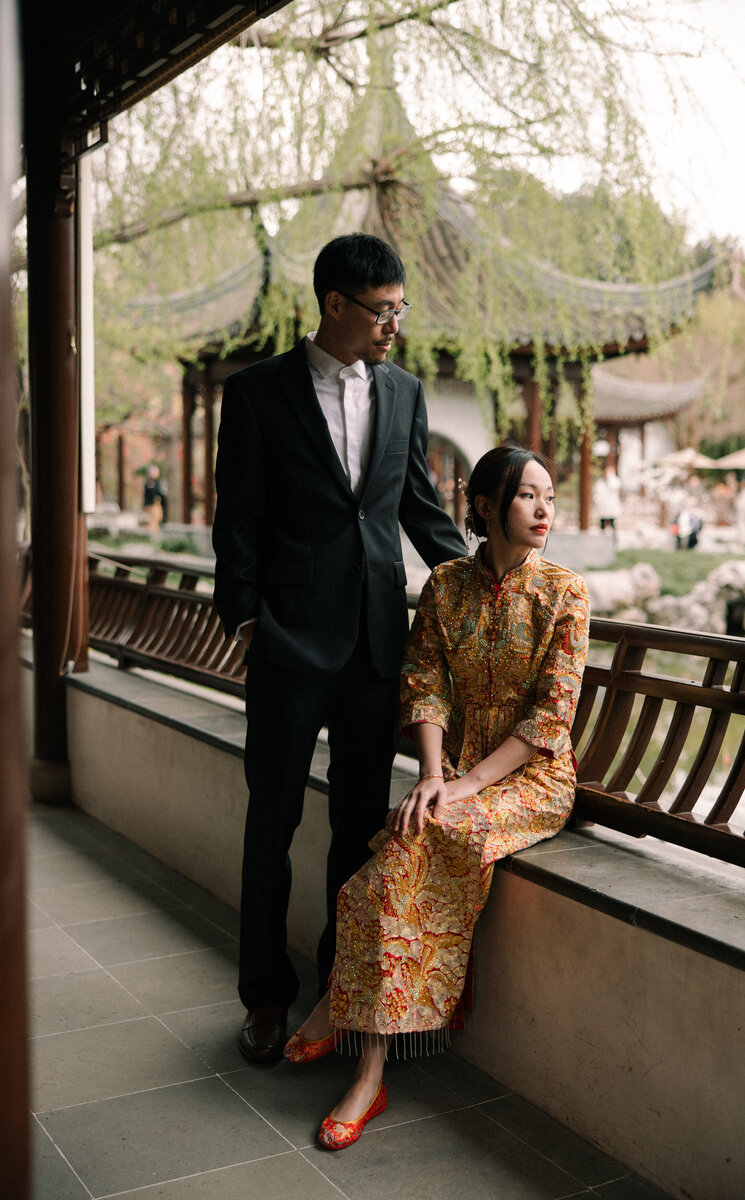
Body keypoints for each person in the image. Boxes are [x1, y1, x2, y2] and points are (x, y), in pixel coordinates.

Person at [284, 445, 590, 1150]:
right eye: (527, 496)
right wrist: (430, 774)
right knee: (388, 866)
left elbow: (551, 718)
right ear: (484, 507)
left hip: (533, 779)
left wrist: (461, 786)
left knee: (423, 839)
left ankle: (360, 1054)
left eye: (549, 496)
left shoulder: (564, 592)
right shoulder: (445, 585)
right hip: (453, 773)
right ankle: (363, 1047)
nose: (545, 510)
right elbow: (423, 684)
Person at [212, 233, 466, 1068]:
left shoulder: (404, 393)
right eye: (383, 309)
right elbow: (238, 519)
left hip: (373, 649)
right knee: (271, 826)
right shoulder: (256, 395)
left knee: (360, 832)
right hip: (287, 646)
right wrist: (247, 622)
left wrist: (495, 579)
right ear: (333, 305)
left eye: (400, 308)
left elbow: (420, 512)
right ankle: (263, 999)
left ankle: (335, 991)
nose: (395, 323)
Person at [593, 462, 621, 532]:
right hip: (602, 506)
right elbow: (597, 492)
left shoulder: (615, 481)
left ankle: (613, 538)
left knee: (612, 522)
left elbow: (613, 486)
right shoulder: (600, 482)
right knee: (602, 523)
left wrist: (610, 477)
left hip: (611, 506)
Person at [142, 463, 168, 531]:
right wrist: (146, 504)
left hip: (158, 505)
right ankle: (154, 535)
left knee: (158, 519)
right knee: (153, 521)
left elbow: (161, 494)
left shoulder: (158, 482)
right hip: (152, 505)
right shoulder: (149, 483)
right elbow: (148, 495)